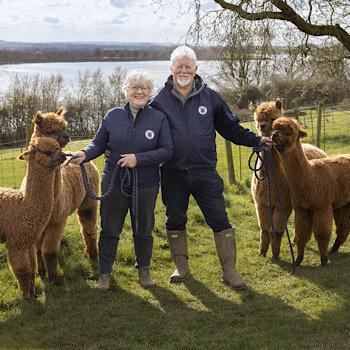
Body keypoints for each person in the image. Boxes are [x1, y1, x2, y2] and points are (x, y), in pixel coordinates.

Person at [150, 45, 272, 290]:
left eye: (188, 66)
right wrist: (115, 147)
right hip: (172, 173)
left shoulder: (211, 97)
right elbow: (144, 134)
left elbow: (231, 128)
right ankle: (181, 268)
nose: (183, 70)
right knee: (175, 219)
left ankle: (230, 271)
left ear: (196, 69)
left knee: (220, 219)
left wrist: (256, 140)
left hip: (204, 171)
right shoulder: (157, 102)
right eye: (179, 66)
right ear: (171, 68)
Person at [72, 69, 173, 289]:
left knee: (144, 228)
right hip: (115, 181)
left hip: (146, 184)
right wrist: (85, 154)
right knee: (110, 228)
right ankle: (105, 273)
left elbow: (167, 150)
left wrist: (139, 159)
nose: (139, 91)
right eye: (134, 87)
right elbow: (98, 144)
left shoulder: (158, 118)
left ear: (149, 92)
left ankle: (144, 270)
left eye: (144, 88)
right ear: (126, 91)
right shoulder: (112, 116)